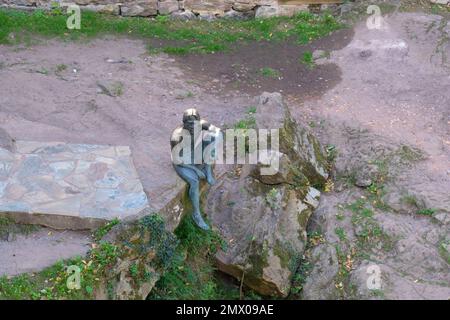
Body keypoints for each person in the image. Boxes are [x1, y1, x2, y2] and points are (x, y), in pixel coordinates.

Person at [170, 108, 220, 230]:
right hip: (182, 161)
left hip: (194, 154)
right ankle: (196, 213)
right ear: (184, 124)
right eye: (188, 124)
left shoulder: (201, 124)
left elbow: (217, 132)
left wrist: (214, 146)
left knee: (211, 138)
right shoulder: (177, 136)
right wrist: (195, 170)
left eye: (194, 123)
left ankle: (207, 168)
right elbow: (177, 160)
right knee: (194, 181)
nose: (192, 126)